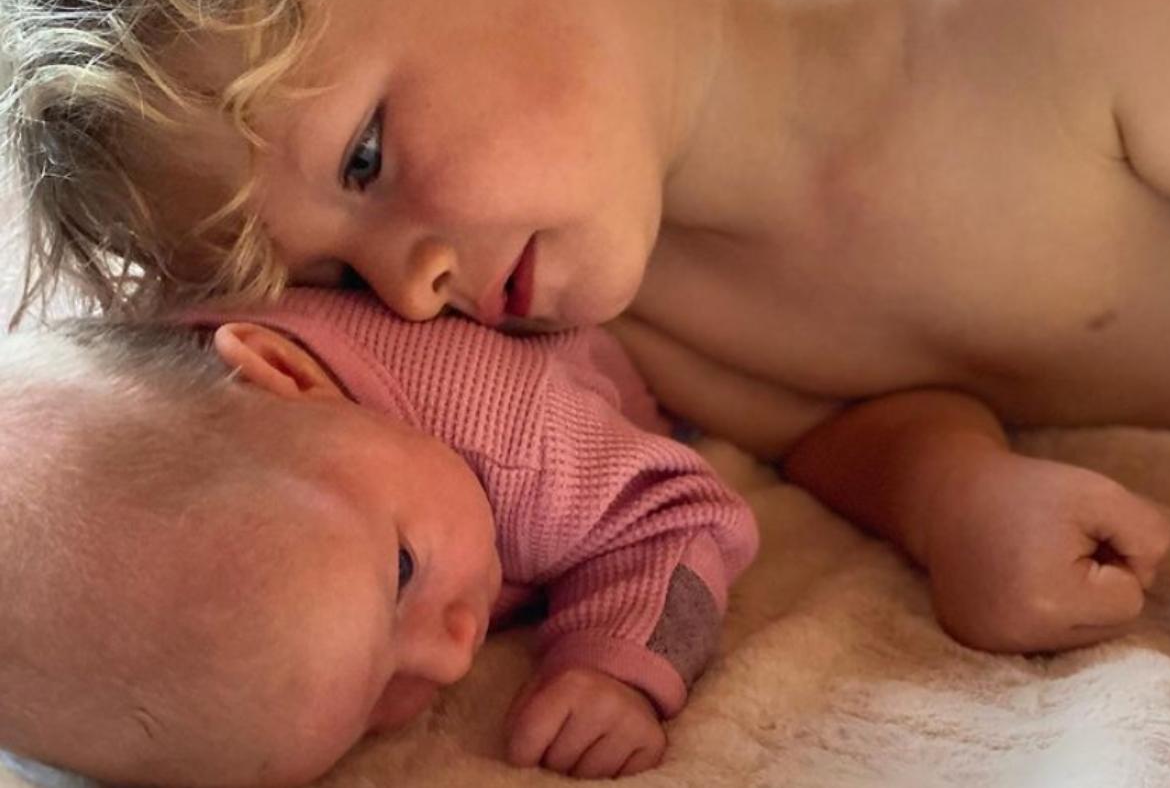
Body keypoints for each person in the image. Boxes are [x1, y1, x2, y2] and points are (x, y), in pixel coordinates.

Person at [0, 0, 1170, 654]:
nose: (411, 291)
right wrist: (957, 494)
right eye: (332, 273)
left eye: (365, 155)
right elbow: (844, 410)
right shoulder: (629, 294)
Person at [0, 287, 757, 787]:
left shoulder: (519, 442)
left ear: (283, 372)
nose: (456, 653)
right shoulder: (271, 462)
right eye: (371, 703)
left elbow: (677, 510)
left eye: (402, 571)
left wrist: (614, 668)